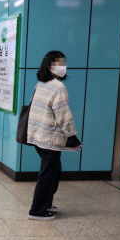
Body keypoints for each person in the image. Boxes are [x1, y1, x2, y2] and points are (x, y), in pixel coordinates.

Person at [27, 50, 81, 221]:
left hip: (38, 136)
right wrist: (71, 136)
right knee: (49, 172)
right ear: (50, 67)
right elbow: (63, 114)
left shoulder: (41, 84)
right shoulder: (58, 87)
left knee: (53, 170)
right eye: (59, 64)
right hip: (49, 138)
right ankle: (37, 210)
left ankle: (46, 203)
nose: (63, 67)